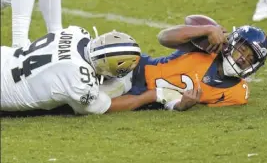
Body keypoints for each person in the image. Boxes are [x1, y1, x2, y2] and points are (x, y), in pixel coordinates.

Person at [1, 25, 192, 114]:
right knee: (120, 85)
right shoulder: (79, 80)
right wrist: (152, 95)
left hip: (4, 57)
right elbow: (106, 107)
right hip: (4, 92)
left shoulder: (76, 32)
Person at [100, 24, 267, 111]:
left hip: (155, 98)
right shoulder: (208, 47)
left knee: (93, 106)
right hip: (136, 70)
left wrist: (184, 105)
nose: (242, 59)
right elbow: (164, 37)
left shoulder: (238, 94)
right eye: (242, 50)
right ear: (231, 43)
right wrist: (207, 29)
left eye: (250, 58)